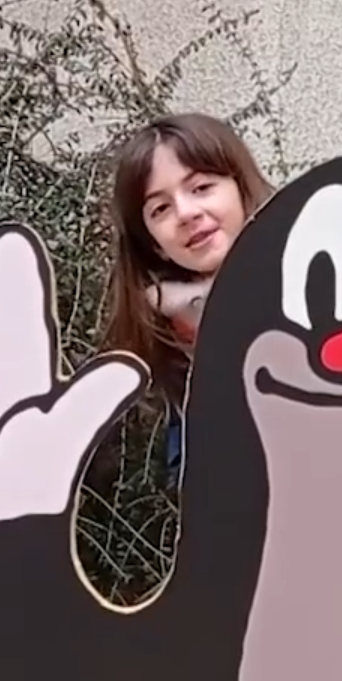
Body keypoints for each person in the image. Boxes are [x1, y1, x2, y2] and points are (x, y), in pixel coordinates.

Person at [102, 113, 276, 485]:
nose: (186, 213)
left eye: (201, 188)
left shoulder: (329, 283)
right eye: (160, 209)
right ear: (153, 244)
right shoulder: (167, 340)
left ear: (240, 187)